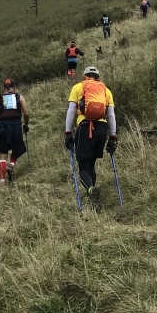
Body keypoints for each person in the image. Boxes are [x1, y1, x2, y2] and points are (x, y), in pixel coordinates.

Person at [64, 65, 116, 209]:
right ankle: (92, 199)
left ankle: (90, 190)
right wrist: (113, 137)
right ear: (98, 78)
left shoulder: (78, 87)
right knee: (91, 163)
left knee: (83, 166)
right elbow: (111, 115)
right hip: (102, 129)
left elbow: (71, 110)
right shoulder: (106, 90)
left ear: (85, 76)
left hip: (85, 127)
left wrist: (67, 132)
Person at [0, 78, 30, 183]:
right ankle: (11, 165)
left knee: (3, 152)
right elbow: (26, 114)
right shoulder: (19, 97)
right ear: (14, 87)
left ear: (4, 88)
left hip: (3, 126)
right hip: (16, 125)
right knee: (18, 147)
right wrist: (26, 125)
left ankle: (2, 180)